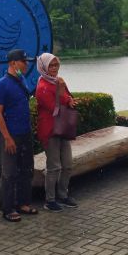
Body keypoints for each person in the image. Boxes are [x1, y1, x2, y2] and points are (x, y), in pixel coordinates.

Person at [0, 49, 38, 222]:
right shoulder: (2, 84)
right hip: (9, 135)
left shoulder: (22, 80)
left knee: (26, 169)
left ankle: (23, 203)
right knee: (9, 172)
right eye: (23, 61)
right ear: (13, 63)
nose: (26, 65)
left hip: (24, 133)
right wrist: (7, 138)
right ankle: (7, 208)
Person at [35, 53, 79, 212]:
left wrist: (70, 100)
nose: (54, 68)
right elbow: (54, 108)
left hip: (63, 128)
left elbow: (67, 98)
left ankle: (63, 194)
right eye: (51, 66)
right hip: (50, 130)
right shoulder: (42, 86)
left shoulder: (58, 81)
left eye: (56, 65)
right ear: (44, 67)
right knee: (54, 166)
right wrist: (62, 93)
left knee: (67, 164)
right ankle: (50, 200)